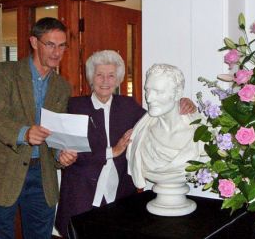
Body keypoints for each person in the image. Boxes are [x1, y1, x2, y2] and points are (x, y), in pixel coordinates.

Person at [55, 51, 196, 237]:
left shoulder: (128, 106)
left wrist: (182, 102)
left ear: (118, 79)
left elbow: (156, 118)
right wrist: (111, 151)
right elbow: (62, 148)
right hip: (81, 193)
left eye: (111, 75)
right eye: (99, 75)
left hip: (121, 191)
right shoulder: (74, 106)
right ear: (91, 78)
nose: (105, 81)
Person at [0, 17, 77, 239]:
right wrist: (24, 133)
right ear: (34, 42)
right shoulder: (4, 72)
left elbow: (55, 133)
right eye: (50, 44)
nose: (57, 52)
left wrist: (61, 155)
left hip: (42, 177)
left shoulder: (62, 87)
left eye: (62, 45)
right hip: (1, 174)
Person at [126, 64, 203, 216]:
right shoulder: (141, 131)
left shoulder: (200, 133)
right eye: (147, 90)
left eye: (158, 92)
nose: (149, 98)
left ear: (177, 93)